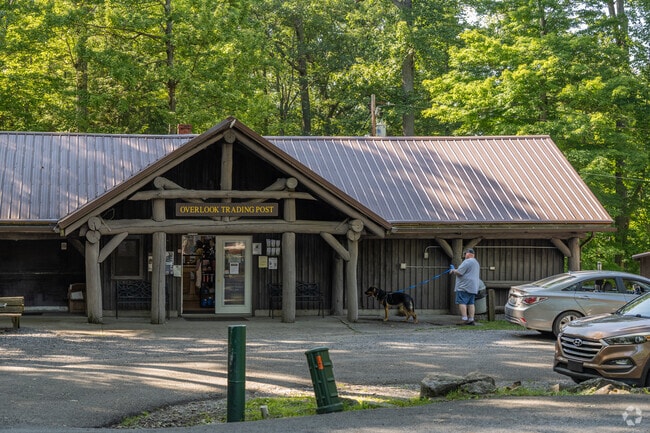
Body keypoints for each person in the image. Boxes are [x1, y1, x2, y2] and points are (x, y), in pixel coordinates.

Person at [450, 248, 481, 325]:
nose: (464, 256)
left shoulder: (467, 262)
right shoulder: (476, 262)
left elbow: (460, 272)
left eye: (465, 254)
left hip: (464, 286)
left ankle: (464, 319)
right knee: (471, 303)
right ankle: (471, 319)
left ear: (468, 254)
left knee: (462, 302)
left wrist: (453, 270)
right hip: (473, 286)